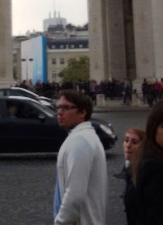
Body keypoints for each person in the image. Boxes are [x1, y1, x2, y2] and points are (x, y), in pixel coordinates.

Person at [53, 90, 107, 225]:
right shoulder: (84, 137)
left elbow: (74, 194)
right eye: (58, 107)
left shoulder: (80, 141)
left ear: (83, 113)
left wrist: (60, 222)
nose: (59, 112)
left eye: (66, 107)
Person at [113, 127, 144, 225]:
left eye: (134, 142)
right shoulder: (129, 168)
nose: (128, 145)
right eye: (126, 140)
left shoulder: (143, 173)